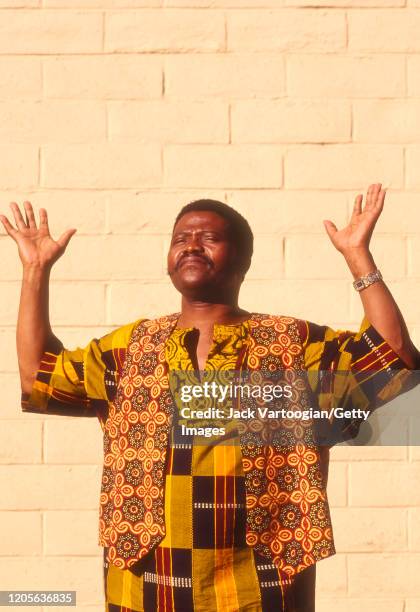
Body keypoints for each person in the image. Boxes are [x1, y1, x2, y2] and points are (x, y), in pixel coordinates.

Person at [1, 183, 419, 612]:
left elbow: (395, 363)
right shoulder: (130, 348)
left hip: (264, 585)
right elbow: (39, 378)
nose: (192, 246)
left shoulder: (294, 345)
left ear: (243, 260)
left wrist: (358, 258)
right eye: (181, 238)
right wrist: (35, 270)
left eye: (210, 238)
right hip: (145, 586)